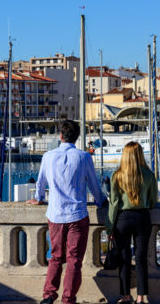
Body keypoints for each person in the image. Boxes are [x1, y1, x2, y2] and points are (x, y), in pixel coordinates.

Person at [27, 120, 106, 304]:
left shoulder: (48, 156)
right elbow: (94, 186)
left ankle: (48, 295)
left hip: (55, 215)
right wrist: (102, 201)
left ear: (60, 136)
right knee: (74, 261)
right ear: (77, 138)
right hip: (77, 215)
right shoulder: (84, 157)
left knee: (55, 257)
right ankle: (68, 299)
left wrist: (38, 198)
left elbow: (40, 183)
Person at [105, 142, 158, 304]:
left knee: (124, 259)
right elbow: (153, 201)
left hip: (122, 219)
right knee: (141, 259)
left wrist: (109, 227)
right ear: (140, 154)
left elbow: (113, 203)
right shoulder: (148, 174)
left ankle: (126, 295)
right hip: (142, 218)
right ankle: (141, 296)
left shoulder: (117, 176)